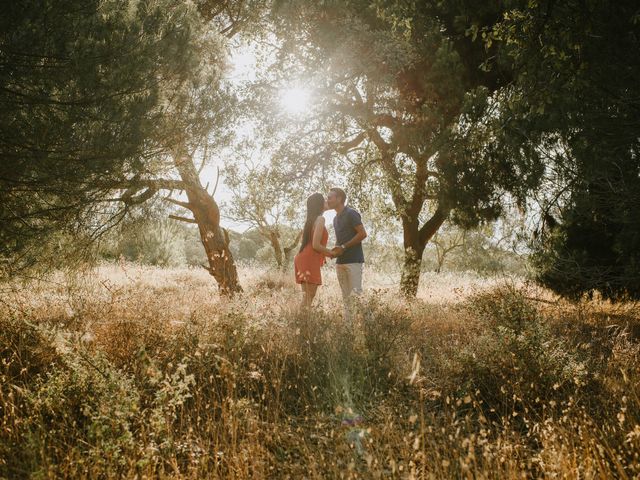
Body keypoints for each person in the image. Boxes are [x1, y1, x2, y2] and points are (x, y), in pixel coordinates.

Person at [327, 187, 367, 322]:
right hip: (340, 262)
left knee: (356, 295)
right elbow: (340, 241)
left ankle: (369, 326)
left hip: (353, 261)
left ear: (339, 198)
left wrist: (343, 247)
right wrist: (335, 251)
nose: (328, 200)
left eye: (330, 197)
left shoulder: (351, 213)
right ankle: (348, 328)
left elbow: (362, 234)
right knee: (346, 298)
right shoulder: (334, 219)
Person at [294, 193, 335, 308]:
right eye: (324, 200)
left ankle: (302, 323)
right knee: (309, 297)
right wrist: (331, 252)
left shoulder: (311, 220)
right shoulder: (320, 219)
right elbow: (316, 245)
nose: (327, 201)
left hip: (303, 257)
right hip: (309, 258)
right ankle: (301, 323)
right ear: (320, 204)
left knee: (308, 296)